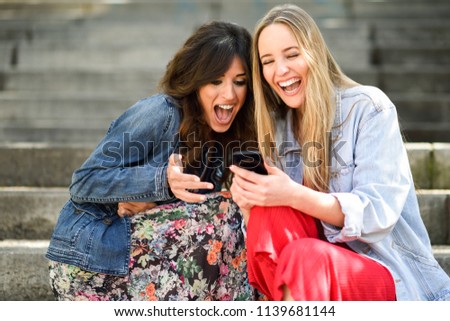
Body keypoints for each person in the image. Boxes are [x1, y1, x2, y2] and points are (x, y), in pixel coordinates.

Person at [229, 4, 450, 301]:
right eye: (267, 61)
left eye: (292, 55)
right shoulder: (277, 129)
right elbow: (271, 244)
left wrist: (292, 194)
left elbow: (378, 213)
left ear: (315, 53)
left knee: (308, 257)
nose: (280, 70)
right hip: (306, 280)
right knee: (270, 213)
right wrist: (250, 205)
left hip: (382, 272)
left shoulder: (368, 108)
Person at [46, 21, 260, 301]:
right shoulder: (160, 113)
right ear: (195, 81)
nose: (230, 94)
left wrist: (153, 202)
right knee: (222, 209)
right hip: (91, 260)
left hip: (145, 260)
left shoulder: (224, 138)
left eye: (240, 82)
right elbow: (84, 181)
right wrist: (158, 181)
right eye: (216, 80)